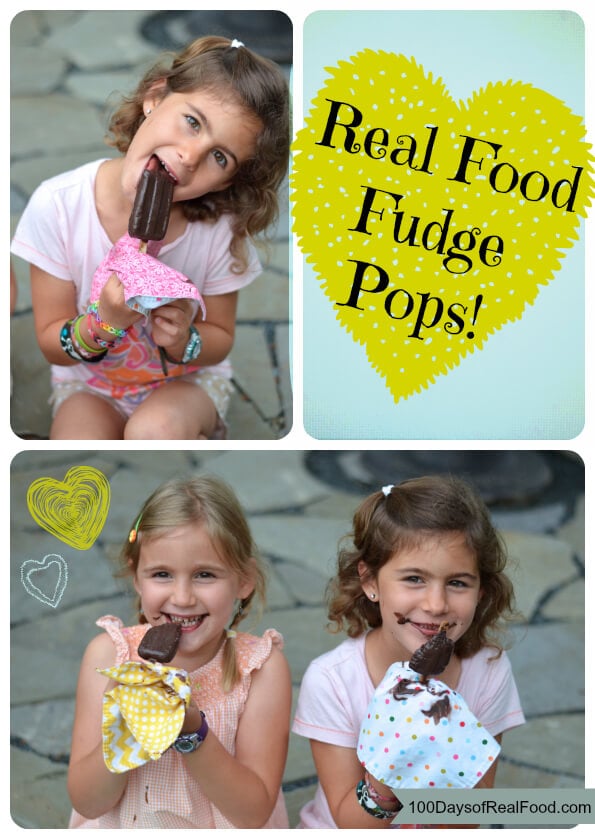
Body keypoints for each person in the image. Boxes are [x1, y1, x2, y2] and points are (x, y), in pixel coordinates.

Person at [10, 36, 290, 440]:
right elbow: (52, 343)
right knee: (78, 441)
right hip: (89, 383)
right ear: (155, 98)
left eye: (219, 157)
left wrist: (185, 339)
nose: (191, 156)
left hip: (185, 382)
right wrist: (103, 322)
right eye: (192, 122)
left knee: (152, 431)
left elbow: (221, 338)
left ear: (230, 180)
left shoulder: (220, 232)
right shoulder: (58, 206)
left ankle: (196, 427)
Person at [292, 475, 525, 828]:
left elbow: (468, 820)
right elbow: (353, 826)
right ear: (371, 582)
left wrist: (446, 741)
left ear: (481, 591)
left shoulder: (488, 671)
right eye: (414, 579)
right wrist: (392, 764)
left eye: (457, 582)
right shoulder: (333, 681)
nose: (436, 604)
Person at [67, 475, 292, 828]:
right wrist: (122, 727)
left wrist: (192, 732)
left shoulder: (260, 669)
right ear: (136, 576)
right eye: (161, 574)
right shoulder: (108, 658)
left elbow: (252, 813)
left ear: (244, 580)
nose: (183, 597)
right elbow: (87, 801)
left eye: (204, 574)